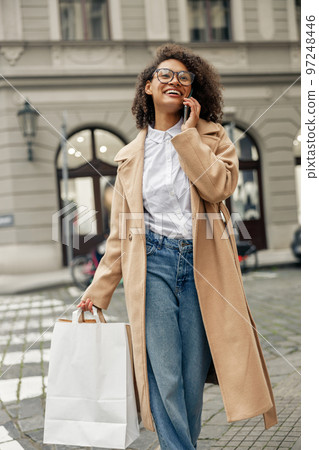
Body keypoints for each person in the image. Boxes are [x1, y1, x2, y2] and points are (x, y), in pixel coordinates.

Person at [76, 43, 277, 448]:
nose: (174, 81)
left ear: (193, 91)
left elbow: (219, 187)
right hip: (153, 264)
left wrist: (188, 136)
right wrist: (99, 291)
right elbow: (122, 232)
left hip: (203, 266)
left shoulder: (213, 138)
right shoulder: (131, 155)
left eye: (183, 77)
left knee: (189, 376)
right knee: (163, 373)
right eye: (164, 75)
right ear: (148, 87)